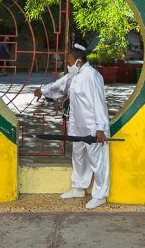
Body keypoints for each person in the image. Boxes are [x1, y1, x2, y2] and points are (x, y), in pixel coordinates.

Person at [34, 42, 110, 209]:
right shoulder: (75, 75)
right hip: (77, 125)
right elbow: (60, 85)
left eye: (68, 63)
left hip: (92, 127)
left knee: (98, 162)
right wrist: (43, 91)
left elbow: (100, 103)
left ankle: (100, 195)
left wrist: (100, 128)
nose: (67, 66)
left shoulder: (92, 76)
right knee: (78, 157)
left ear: (78, 62)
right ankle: (78, 187)